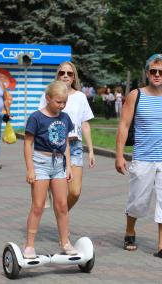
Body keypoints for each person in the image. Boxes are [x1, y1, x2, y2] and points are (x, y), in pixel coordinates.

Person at [115, 54, 162, 260]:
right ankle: (130, 231)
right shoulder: (136, 95)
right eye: (153, 71)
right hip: (143, 158)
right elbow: (124, 126)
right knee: (138, 201)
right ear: (147, 72)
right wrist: (119, 155)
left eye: (161, 72)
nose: (157, 75)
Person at [23, 80, 77, 258]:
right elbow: (28, 143)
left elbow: (66, 142)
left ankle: (65, 242)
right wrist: (30, 169)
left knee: (62, 206)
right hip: (40, 163)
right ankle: (29, 245)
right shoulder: (36, 117)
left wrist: (68, 166)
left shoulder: (64, 117)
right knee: (38, 206)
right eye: (58, 102)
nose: (61, 106)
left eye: (64, 102)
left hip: (59, 165)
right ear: (48, 98)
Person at [38, 62, 95, 215]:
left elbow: (85, 124)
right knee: (60, 193)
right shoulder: (47, 95)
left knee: (75, 192)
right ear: (57, 75)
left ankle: (61, 214)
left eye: (69, 73)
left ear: (74, 76)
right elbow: (41, 119)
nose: (65, 76)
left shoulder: (80, 97)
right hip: (54, 147)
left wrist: (90, 151)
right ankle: (62, 220)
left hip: (75, 146)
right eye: (62, 73)